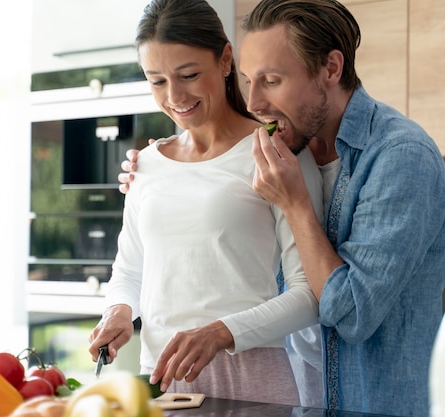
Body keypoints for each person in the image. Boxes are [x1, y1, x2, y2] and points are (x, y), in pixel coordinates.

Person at [118, 1, 445, 416]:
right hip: (302, 401)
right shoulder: (288, 150)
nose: (254, 102)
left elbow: (348, 313)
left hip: (375, 405)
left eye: (272, 81)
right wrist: (164, 176)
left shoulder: (400, 157)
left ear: (331, 69)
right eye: (248, 80)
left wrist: (294, 202)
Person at [88, 0, 324, 406]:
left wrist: (219, 333)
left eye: (189, 75)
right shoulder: (145, 164)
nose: (175, 96)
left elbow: (310, 294)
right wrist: (119, 311)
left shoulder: (275, 153)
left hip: (251, 377)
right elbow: (129, 271)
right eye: (157, 81)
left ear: (226, 60)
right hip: (159, 380)